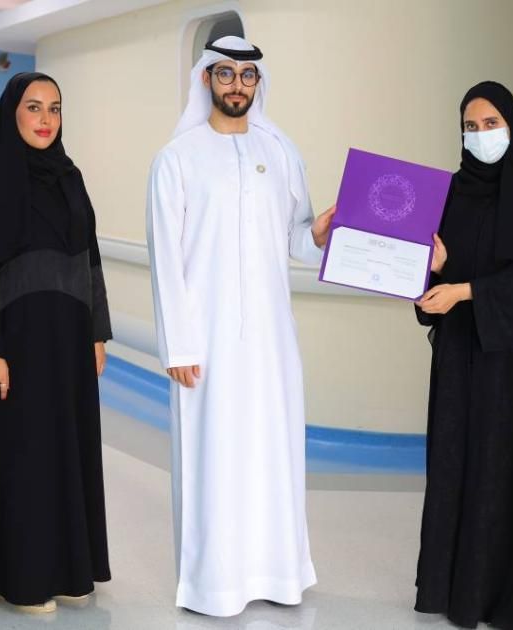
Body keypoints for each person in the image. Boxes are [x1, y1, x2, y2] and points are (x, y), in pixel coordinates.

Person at [146, 35, 334, 617]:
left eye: (247, 76)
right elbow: (165, 258)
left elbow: (297, 239)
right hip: (206, 342)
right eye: (225, 74)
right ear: (206, 79)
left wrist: (319, 233)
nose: (237, 85)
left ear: (258, 82)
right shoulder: (177, 158)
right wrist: (178, 344)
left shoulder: (280, 153)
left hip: (273, 341)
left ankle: (278, 575)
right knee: (215, 459)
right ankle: (213, 584)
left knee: (273, 454)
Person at [0, 72, 112, 612]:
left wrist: (97, 333)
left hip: (67, 344)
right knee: (23, 454)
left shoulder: (70, 178)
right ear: (11, 112)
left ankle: (67, 570)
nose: (45, 119)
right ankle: (22, 580)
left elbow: (90, 259)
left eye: (54, 108)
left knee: (66, 449)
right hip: (15, 346)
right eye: (34, 107)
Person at [413, 81, 513, 629]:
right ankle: (459, 591)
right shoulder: (454, 193)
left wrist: (464, 291)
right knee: (461, 463)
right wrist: (438, 273)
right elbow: (449, 272)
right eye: (470, 126)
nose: (480, 135)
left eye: (490, 124)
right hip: (465, 358)